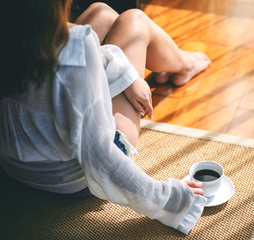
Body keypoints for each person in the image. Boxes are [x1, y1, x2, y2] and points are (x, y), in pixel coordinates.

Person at [0, 0, 211, 234]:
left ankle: (173, 63)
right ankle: (183, 63)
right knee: (134, 20)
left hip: (15, 165)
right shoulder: (76, 47)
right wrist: (170, 200)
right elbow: (100, 155)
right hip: (72, 179)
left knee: (101, 12)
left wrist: (124, 72)